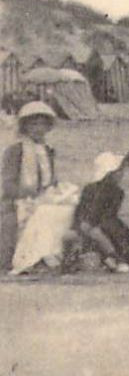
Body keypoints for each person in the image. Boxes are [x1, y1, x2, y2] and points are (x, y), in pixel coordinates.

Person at [2, 102, 60, 271]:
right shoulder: (15, 151)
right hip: (16, 202)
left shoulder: (48, 150)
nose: (38, 129)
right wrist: (28, 194)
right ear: (24, 126)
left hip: (43, 200)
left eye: (42, 124)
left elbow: (51, 180)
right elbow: (8, 184)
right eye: (34, 124)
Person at [73, 153, 129, 272]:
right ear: (108, 173)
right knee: (91, 232)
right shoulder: (90, 189)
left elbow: (108, 213)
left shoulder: (117, 192)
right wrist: (83, 222)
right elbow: (82, 208)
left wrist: (90, 223)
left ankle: (116, 258)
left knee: (101, 232)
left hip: (105, 222)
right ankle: (111, 258)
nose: (121, 175)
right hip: (91, 221)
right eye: (118, 171)